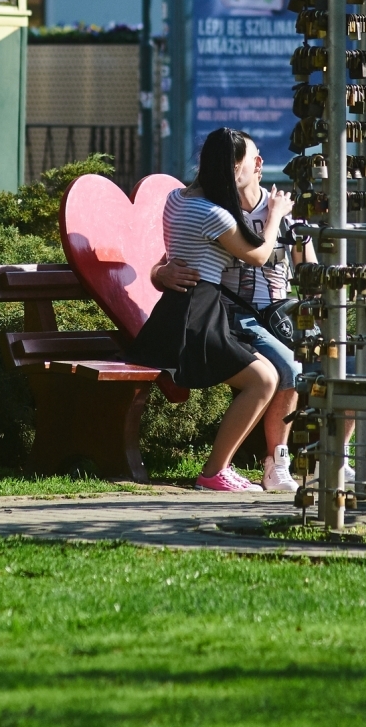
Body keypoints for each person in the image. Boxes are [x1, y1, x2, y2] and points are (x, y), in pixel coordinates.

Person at [127, 127, 295, 493]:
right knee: (263, 380)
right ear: (235, 169)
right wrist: (275, 215)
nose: (256, 166)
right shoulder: (215, 216)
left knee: (265, 376)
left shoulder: (177, 198)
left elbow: (175, 253)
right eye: (249, 161)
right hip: (197, 313)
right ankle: (214, 471)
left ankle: (221, 468)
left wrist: (161, 270)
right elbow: (259, 255)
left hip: (182, 309)